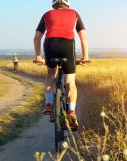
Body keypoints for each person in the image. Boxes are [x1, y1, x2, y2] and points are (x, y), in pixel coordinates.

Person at [33, 0, 89, 128]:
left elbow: (37, 37)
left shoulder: (47, 14)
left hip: (50, 45)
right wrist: (85, 56)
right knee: (70, 81)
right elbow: (83, 36)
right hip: (67, 45)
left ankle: (48, 104)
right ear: (67, 4)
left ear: (54, 5)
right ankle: (71, 111)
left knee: (51, 73)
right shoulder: (74, 13)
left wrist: (38, 56)